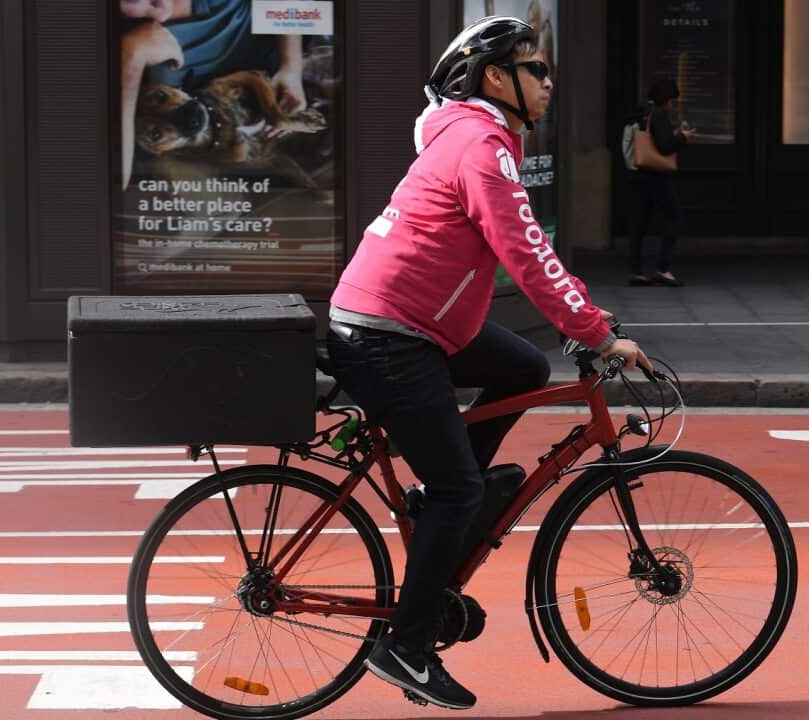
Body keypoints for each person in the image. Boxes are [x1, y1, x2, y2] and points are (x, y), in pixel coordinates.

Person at [324, 16, 652, 711]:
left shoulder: (478, 136)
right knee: (459, 492)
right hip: (389, 334)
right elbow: (525, 251)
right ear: (496, 79)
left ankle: (445, 500)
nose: (549, 81)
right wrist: (595, 332)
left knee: (524, 369)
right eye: (537, 69)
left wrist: (583, 320)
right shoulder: (480, 144)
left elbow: (527, 251)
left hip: (412, 323)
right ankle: (406, 649)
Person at [117, 0, 307, 189]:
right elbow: (115, 187)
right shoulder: (162, 66)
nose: (160, 9)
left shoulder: (161, 63)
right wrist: (133, 52)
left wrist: (291, 66)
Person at [626, 77, 693, 287]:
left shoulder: (643, 113)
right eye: (672, 100)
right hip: (657, 175)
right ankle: (663, 268)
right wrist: (682, 137)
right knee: (674, 217)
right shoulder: (659, 115)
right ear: (666, 99)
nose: (672, 104)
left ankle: (636, 271)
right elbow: (664, 146)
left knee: (640, 222)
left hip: (640, 173)